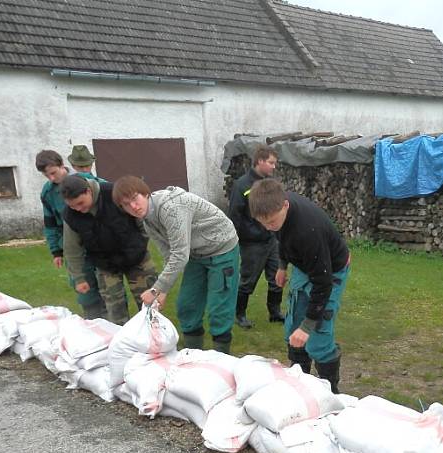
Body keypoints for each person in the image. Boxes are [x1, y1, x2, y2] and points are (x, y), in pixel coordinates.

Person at [112, 176, 239, 354]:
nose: (133, 206)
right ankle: (192, 355)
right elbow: (168, 253)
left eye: (135, 198)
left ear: (145, 193)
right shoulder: (147, 220)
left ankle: (221, 357)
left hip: (221, 248)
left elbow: (180, 254)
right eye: (126, 204)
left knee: (219, 307)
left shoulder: (171, 208)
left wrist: (155, 290)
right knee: (187, 305)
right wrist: (163, 290)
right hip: (195, 253)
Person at [248, 179, 350, 394]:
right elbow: (281, 237)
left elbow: (323, 284)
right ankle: (300, 386)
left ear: (285, 206)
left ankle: (330, 392)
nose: (268, 227)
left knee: (317, 335)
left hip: (331, 270)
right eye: (263, 223)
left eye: (272, 222)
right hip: (305, 265)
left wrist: (308, 326)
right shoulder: (274, 211)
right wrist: (283, 266)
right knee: (292, 327)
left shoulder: (307, 231)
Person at [59, 175, 158, 325]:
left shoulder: (113, 193)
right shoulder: (70, 216)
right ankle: (122, 343)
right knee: (114, 311)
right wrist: (79, 278)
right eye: (73, 206)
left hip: (137, 258)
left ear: (88, 191)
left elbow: (141, 218)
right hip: (105, 265)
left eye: (80, 203)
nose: (78, 209)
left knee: (149, 305)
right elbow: (72, 249)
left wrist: (141, 243)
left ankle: (156, 340)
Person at [34, 149, 106, 319]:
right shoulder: (48, 192)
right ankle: (93, 323)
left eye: (53, 173)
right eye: (47, 175)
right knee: (84, 290)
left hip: (98, 243)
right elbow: (50, 222)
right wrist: (56, 251)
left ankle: (114, 324)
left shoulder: (88, 182)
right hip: (72, 246)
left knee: (108, 287)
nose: (52, 178)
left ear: (62, 166)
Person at [228, 145, 284, 328]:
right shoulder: (242, 185)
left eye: (275, 163)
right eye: (271, 163)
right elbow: (235, 216)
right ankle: (240, 314)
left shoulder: (270, 184)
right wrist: (253, 234)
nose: (274, 167)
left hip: (272, 240)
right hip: (252, 244)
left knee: (277, 277)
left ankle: (275, 312)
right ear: (260, 161)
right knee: (247, 281)